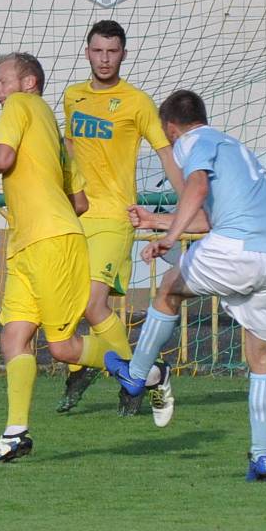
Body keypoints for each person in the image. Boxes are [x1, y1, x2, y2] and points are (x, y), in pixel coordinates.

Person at [106, 90, 266, 481]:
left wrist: (169, 239)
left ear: (171, 129)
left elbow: (198, 189)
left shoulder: (192, 141)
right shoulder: (231, 144)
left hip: (236, 249)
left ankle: (137, 375)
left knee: (169, 288)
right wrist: (156, 222)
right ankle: (262, 457)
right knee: (261, 357)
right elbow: (207, 220)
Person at [0, 52, 118, 463]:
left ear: (29, 83)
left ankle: (142, 368)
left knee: (63, 347)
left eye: (2, 80)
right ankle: (15, 434)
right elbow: (82, 202)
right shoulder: (50, 128)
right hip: (30, 244)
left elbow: (3, 159)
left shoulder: (19, 107)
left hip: (49, 243)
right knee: (14, 338)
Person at [57, 20, 185, 416]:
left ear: (123, 54)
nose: (105, 59)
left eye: (112, 52)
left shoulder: (137, 102)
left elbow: (166, 153)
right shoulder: (72, 96)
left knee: (94, 305)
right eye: (98, 51)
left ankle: (136, 378)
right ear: (87, 52)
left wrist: (188, 204)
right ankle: (86, 367)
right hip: (75, 214)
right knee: (71, 303)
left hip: (114, 216)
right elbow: (68, 148)